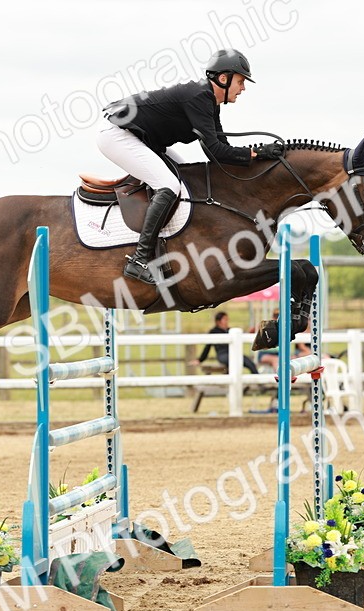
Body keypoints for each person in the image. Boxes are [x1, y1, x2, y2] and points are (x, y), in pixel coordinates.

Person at [97, 49, 285, 286]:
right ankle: (140, 259)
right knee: (169, 185)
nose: (243, 88)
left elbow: (218, 153)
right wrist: (256, 153)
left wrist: (257, 155)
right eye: (240, 81)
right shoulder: (199, 97)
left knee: (189, 183)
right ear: (223, 79)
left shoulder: (209, 102)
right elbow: (216, 151)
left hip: (143, 140)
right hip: (119, 136)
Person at [190, 311, 258, 373]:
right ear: (218, 321)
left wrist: (249, 333)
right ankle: (234, 382)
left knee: (250, 363)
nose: (227, 321)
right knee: (234, 362)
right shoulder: (213, 332)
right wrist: (200, 360)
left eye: (227, 319)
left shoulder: (230, 330)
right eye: (225, 319)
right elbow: (207, 347)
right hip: (222, 355)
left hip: (233, 353)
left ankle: (258, 382)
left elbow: (240, 337)